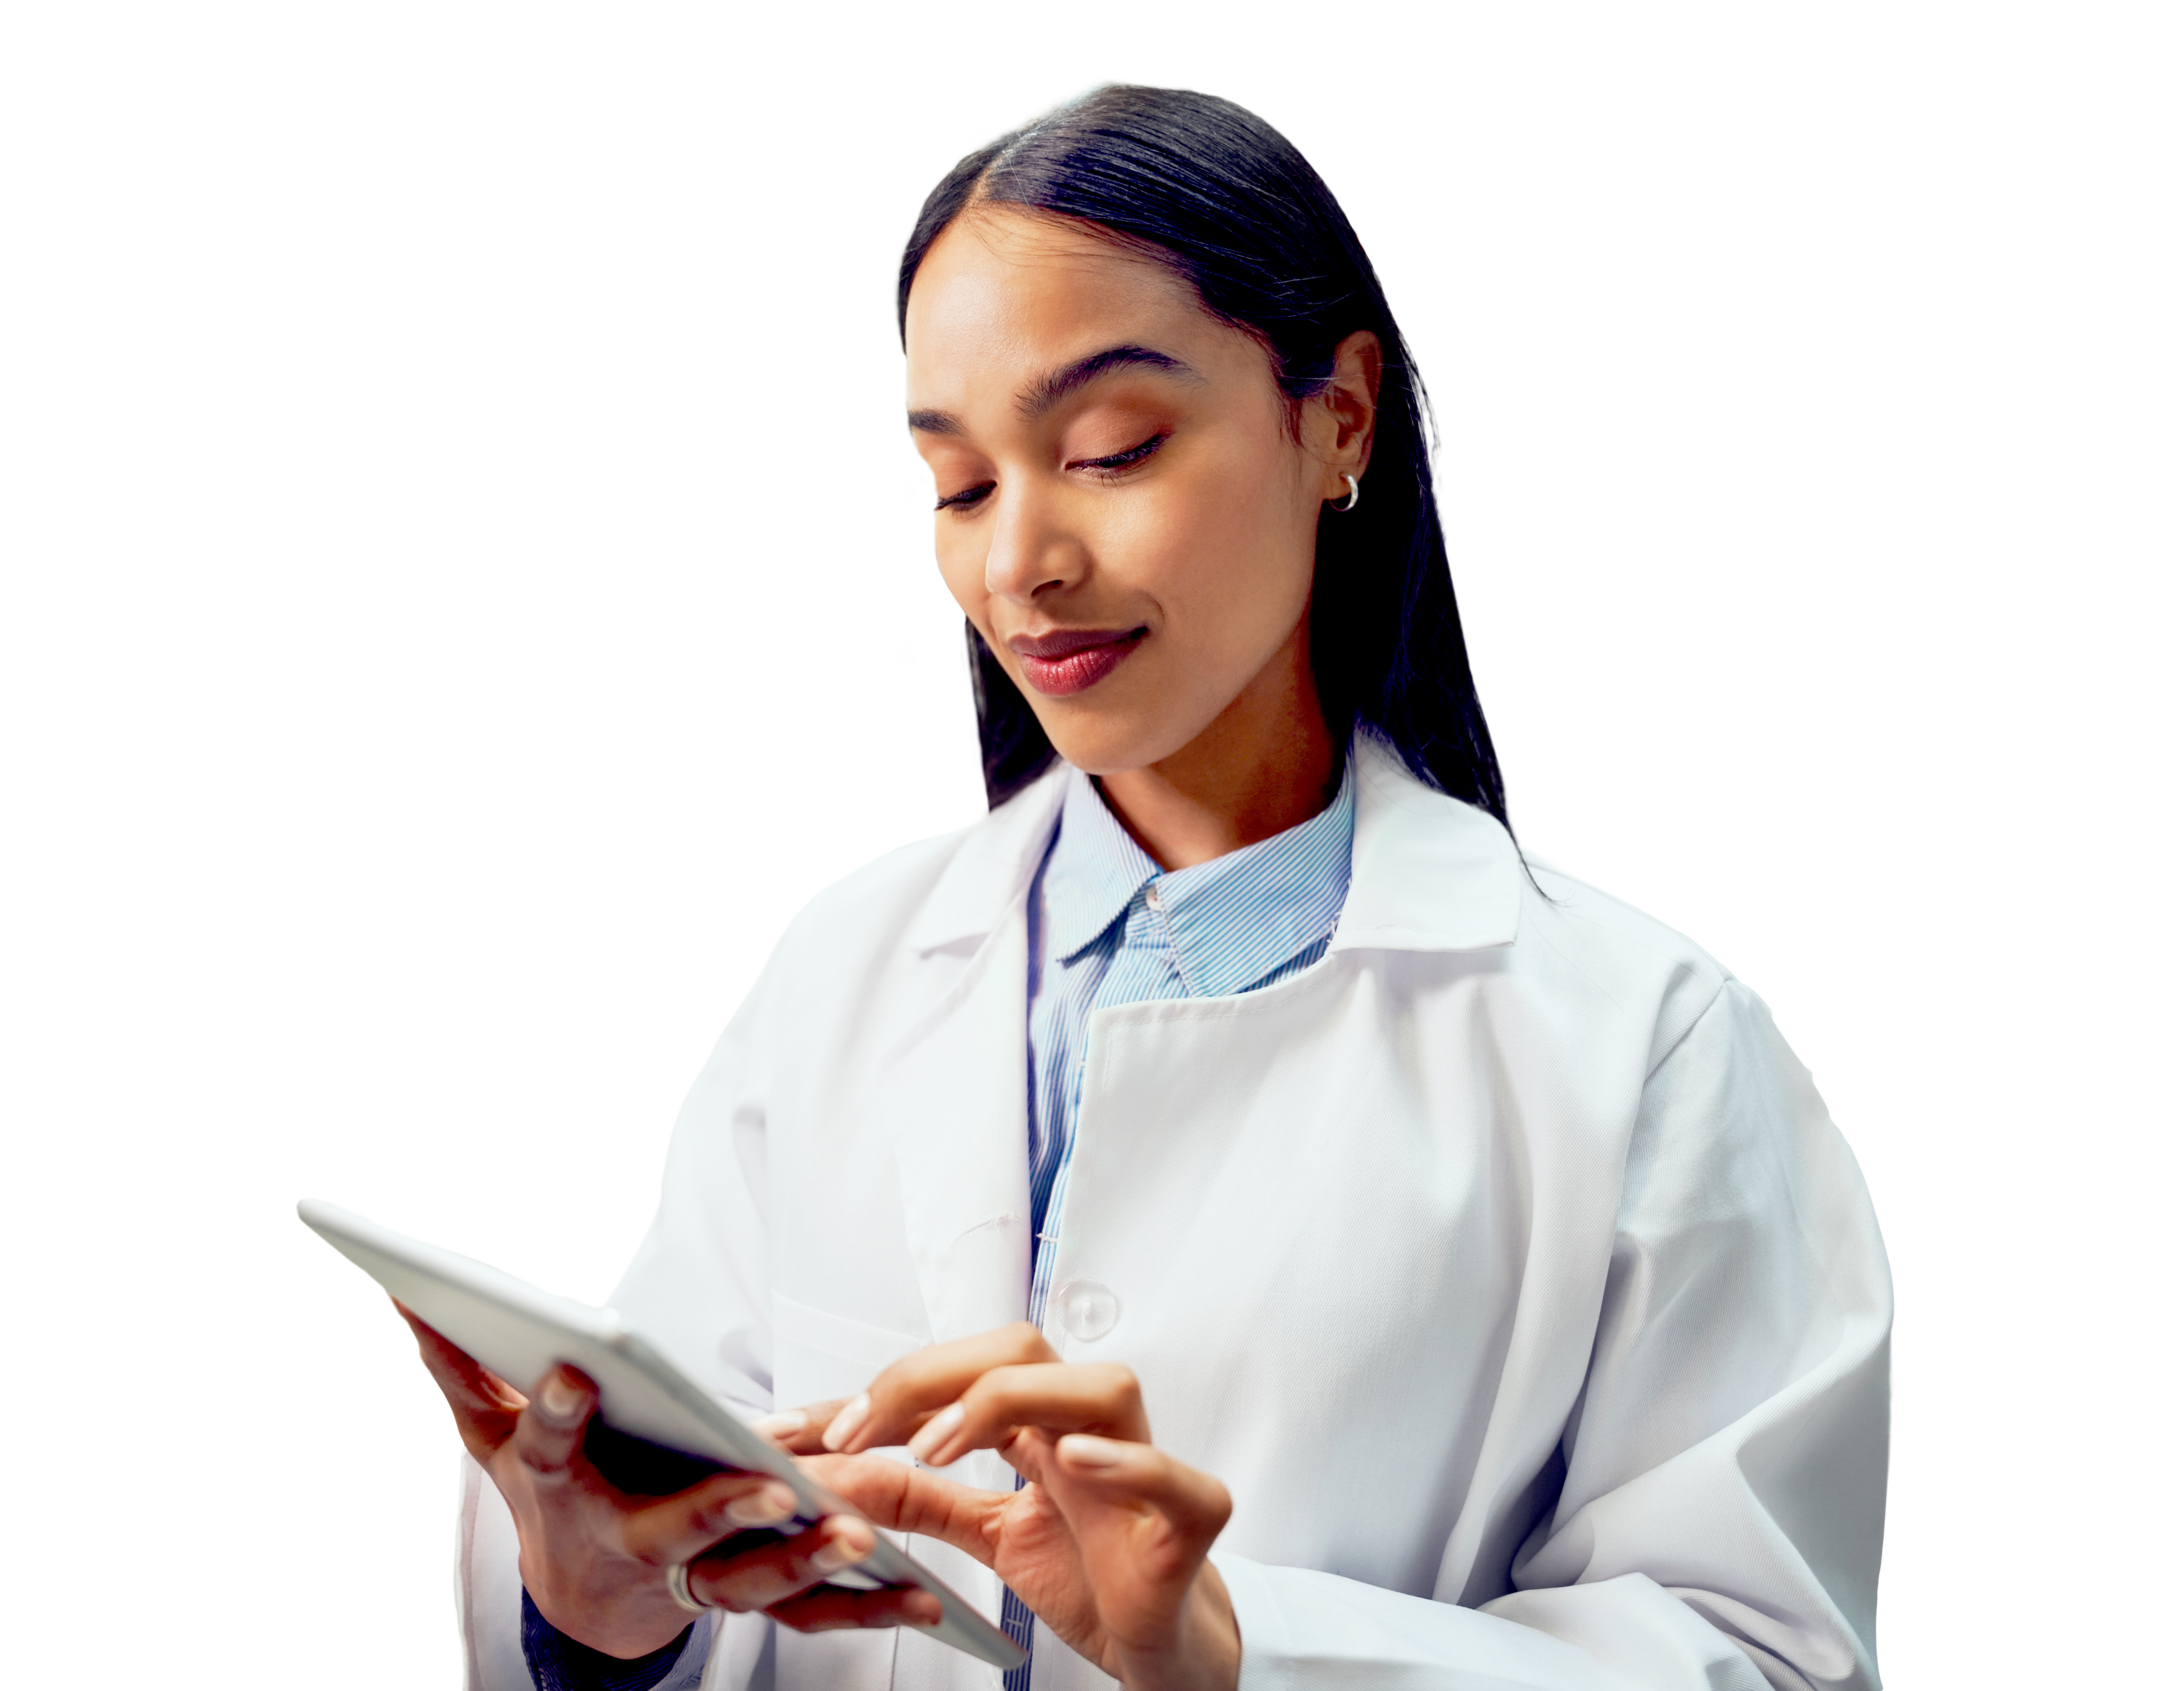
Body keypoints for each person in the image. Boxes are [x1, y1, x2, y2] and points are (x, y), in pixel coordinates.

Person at [398, 73, 1893, 1691]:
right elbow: (682, 1542)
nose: (1019, 561)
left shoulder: (1645, 1047)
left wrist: (1235, 1652)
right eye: (957, 483)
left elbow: (1768, 1661)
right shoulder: (847, 966)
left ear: (1336, 420)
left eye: (1111, 447)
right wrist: (601, 1615)